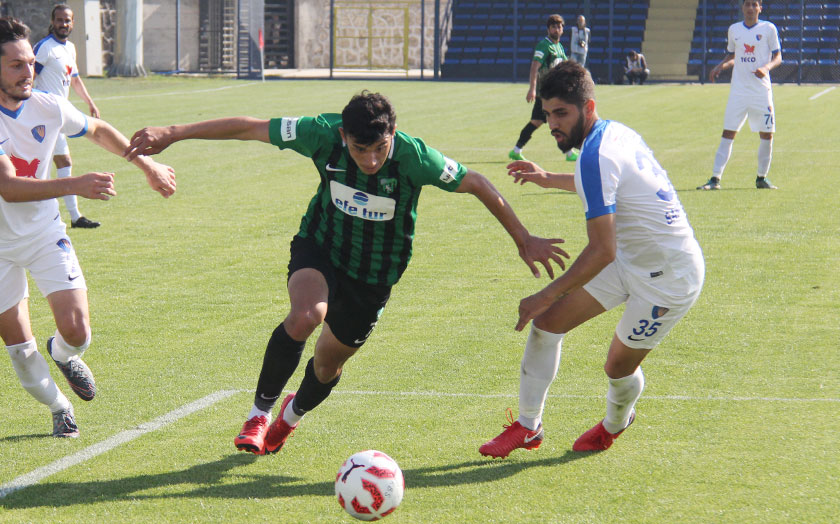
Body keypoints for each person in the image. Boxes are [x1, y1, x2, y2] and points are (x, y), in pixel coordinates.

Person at [123, 91, 570, 456]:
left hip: (374, 276)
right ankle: (259, 415)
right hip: (321, 246)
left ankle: (288, 419)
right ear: (343, 135)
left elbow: (476, 182)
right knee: (306, 316)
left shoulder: (416, 158)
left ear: (392, 135)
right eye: (360, 149)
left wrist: (523, 237)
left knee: (327, 364)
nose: (371, 160)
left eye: (380, 148)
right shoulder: (321, 133)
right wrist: (173, 133)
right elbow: (251, 127)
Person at [0, 17, 176, 438]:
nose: (29, 73)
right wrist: (74, 184)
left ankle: (61, 353)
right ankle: (59, 407)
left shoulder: (47, 104)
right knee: (20, 350)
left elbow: (97, 130)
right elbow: (6, 186)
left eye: (31, 64)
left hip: (42, 232)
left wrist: (145, 164)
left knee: (77, 331)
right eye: (17, 65)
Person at [480, 61, 704, 457]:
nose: (552, 124)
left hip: (668, 278)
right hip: (632, 260)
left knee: (616, 367)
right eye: (548, 114)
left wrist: (545, 293)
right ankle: (528, 427)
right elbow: (604, 184)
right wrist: (549, 178)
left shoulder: (596, 154)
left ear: (589, 107)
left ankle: (616, 422)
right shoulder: (614, 134)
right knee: (547, 325)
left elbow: (603, 250)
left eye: (561, 113)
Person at [698, 0, 781, 191]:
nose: (751, 8)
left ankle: (762, 178)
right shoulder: (734, 29)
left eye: (754, 4)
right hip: (739, 91)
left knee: (767, 134)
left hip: (761, 92)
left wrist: (766, 67)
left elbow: (778, 56)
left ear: (760, 8)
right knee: (728, 133)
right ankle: (715, 179)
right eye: (747, 4)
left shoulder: (769, 29)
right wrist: (720, 66)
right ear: (742, 8)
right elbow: (732, 55)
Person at [33, 4, 102, 228]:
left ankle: (74, 217)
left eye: (67, 20)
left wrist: (90, 102)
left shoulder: (70, 48)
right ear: (52, 22)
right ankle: (58, 216)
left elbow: (74, 79)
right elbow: (28, 77)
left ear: (73, 23)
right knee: (38, 165)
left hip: (59, 117)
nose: (63, 24)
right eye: (60, 20)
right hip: (42, 116)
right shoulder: (44, 48)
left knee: (59, 162)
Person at [509, 14, 579, 163]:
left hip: (554, 92)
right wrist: (532, 88)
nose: (556, 29)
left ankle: (516, 150)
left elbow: (564, 67)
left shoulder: (559, 47)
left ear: (562, 30)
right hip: (546, 93)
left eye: (559, 26)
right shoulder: (544, 45)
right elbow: (535, 65)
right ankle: (569, 152)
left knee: (539, 121)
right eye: (553, 26)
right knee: (558, 119)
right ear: (548, 29)